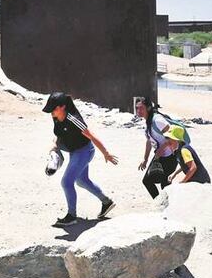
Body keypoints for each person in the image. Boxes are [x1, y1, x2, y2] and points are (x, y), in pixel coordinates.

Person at [43, 92, 118, 227]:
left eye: (53, 108)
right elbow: (59, 133)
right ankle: (107, 202)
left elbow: (92, 136)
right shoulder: (55, 116)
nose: (51, 112)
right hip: (72, 150)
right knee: (82, 181)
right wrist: (54, 144)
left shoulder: (73, 119)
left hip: (84, 152)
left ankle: (71, 216)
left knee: (66, 182)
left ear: (63, 107)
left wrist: (106, 153)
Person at [136, 98, 179, 198]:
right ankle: (161, 204)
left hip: (171, 156)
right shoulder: (148, 122)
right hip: (160, 157)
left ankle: (166, 207)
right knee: (147, 181)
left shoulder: (158, 121)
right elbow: (149, 141)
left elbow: (173, 139)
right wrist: (145, 159)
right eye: (137, 108)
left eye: (141, 108)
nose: (138, 111)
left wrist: (161, 148)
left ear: (149, 108)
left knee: (165, 184)